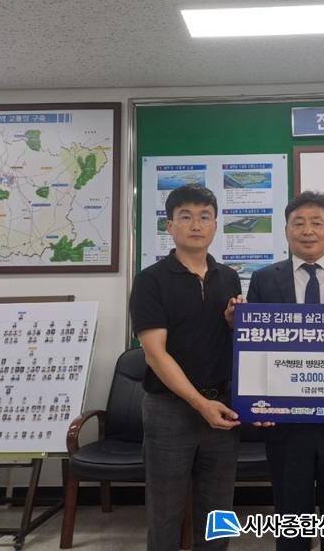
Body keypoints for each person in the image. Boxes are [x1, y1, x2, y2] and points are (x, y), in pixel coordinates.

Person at [237, 191, 324, 551]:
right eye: (299, 223)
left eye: (317, 223)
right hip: (285, 423)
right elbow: (254, 350)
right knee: (291, 513)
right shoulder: (264, 280)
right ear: (286, 231)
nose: (308, 231)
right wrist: (256, 404)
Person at [129, 184, 242, 550]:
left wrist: (233, 322)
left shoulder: (228, 277)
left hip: (222, 406)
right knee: (165, 511)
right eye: (186, 217)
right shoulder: (150, 281)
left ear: (215, 225)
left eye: (205, 217)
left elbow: (230, 342)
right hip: (169, 410)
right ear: (170, 225)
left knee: (219, 510)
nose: (196, 225)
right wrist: (200, 404)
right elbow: (155, 355)